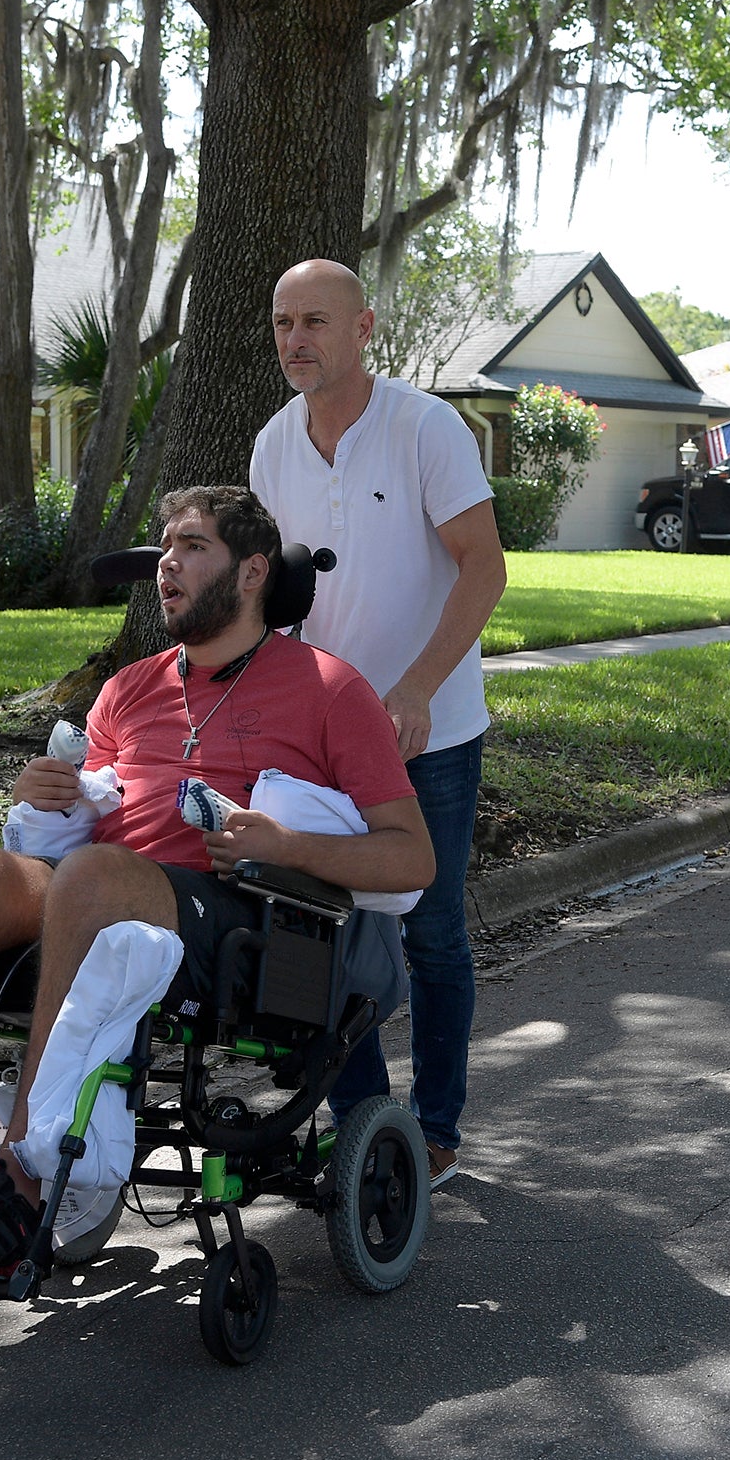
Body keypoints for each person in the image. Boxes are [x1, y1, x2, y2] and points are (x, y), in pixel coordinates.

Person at [0, 486, 434, 1281]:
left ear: (254, 571)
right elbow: (92, 820)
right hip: (100, 889)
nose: (167, 562)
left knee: (93, 877)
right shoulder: (127, 689)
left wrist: (287, 841)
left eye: (192, 546)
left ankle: (16, 1191)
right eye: (165, 546)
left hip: (236, 920)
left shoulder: (331, 689)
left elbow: (412, 859)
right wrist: (44, 798)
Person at [249, 258, 508, 1189]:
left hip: (426, 730)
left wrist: (417, 687)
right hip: (321, 739)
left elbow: (483, 566)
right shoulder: (272, 447)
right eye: (283, 322)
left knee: (430, 929)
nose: (295, 339)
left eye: (315, 319)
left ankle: (434, 1127)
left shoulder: (424, 428)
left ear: (362, 329)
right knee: (319, 929)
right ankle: (366, 1126)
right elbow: (273, 601)